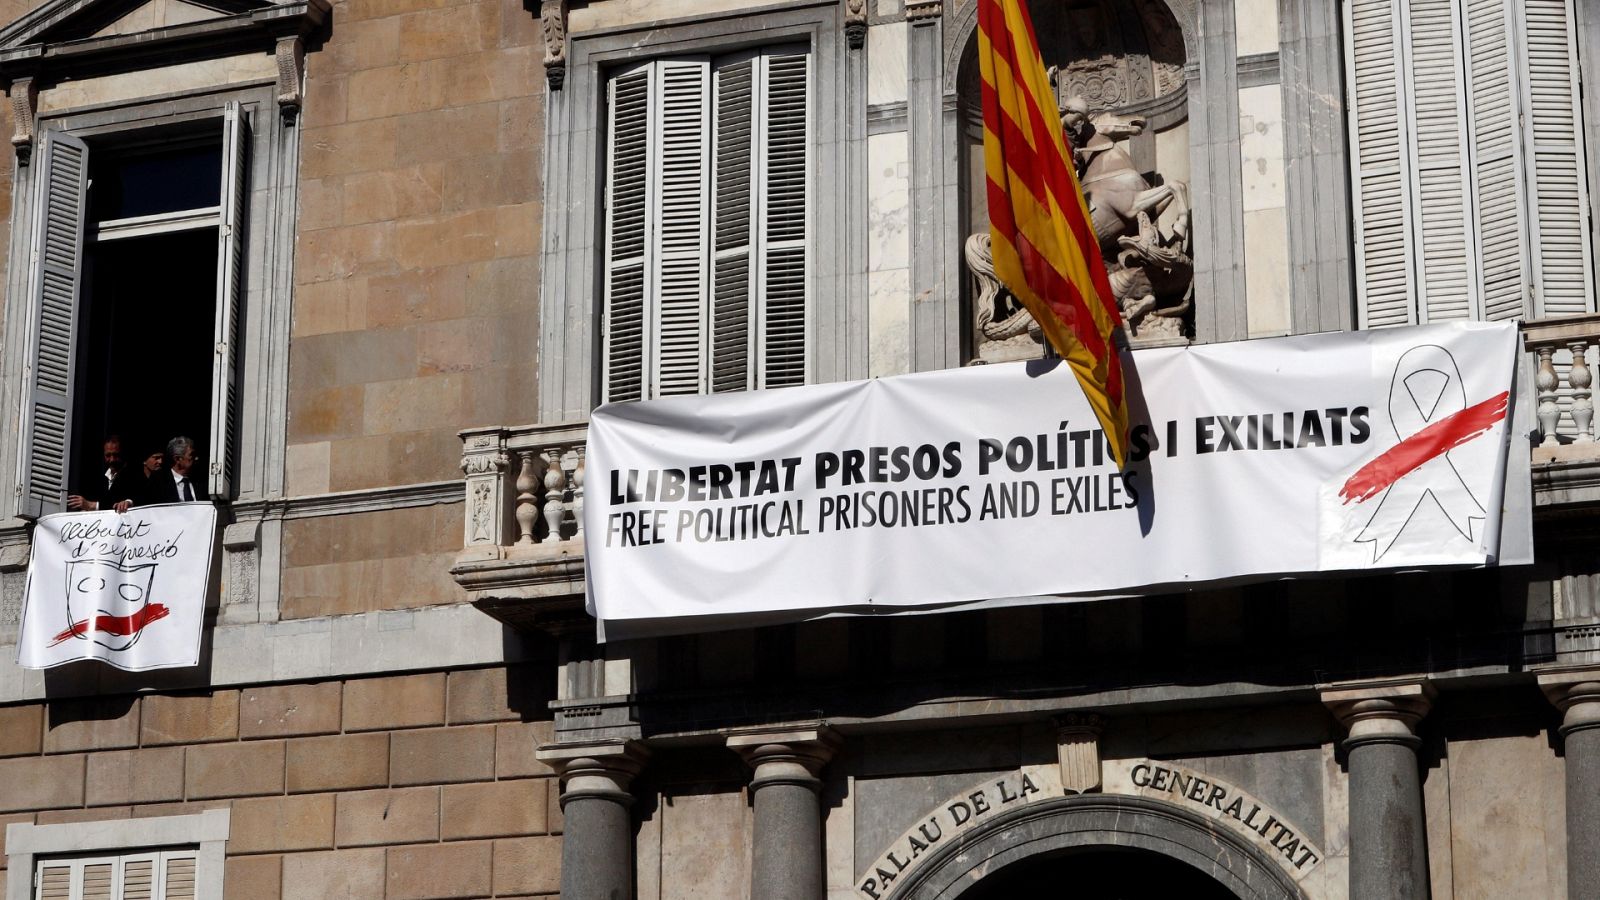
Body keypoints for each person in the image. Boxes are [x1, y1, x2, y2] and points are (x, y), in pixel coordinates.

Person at [67, 435, 138, 512]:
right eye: (108, 455)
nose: (112, 460)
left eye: (116, 455)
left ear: (123, 453)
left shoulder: (134, 475)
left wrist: (128, 502)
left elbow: (138, 498)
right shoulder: (99, 478)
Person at [141, 436, 205, 505]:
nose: (196, 458)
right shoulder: (159, 481)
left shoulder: (201, 480)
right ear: (177, 459)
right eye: (191, 455)